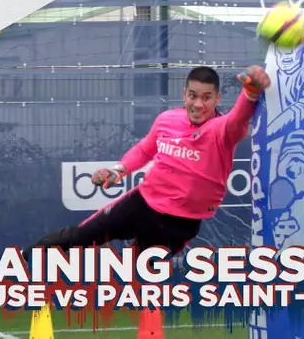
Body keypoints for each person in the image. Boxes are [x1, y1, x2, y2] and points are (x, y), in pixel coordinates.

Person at [20, 65, 270, 263]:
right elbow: (145, 149)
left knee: (139, 276)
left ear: (217, 99)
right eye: (192, 96)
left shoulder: (222, 129)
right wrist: (118, 170)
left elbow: (239, 118)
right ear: (184, 94)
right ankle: (12, 266)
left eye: (206, 98)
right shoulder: (167, 119)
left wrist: (250, 93)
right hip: (141, 203)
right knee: (80, 236)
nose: (198, 104)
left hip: (178, 224)